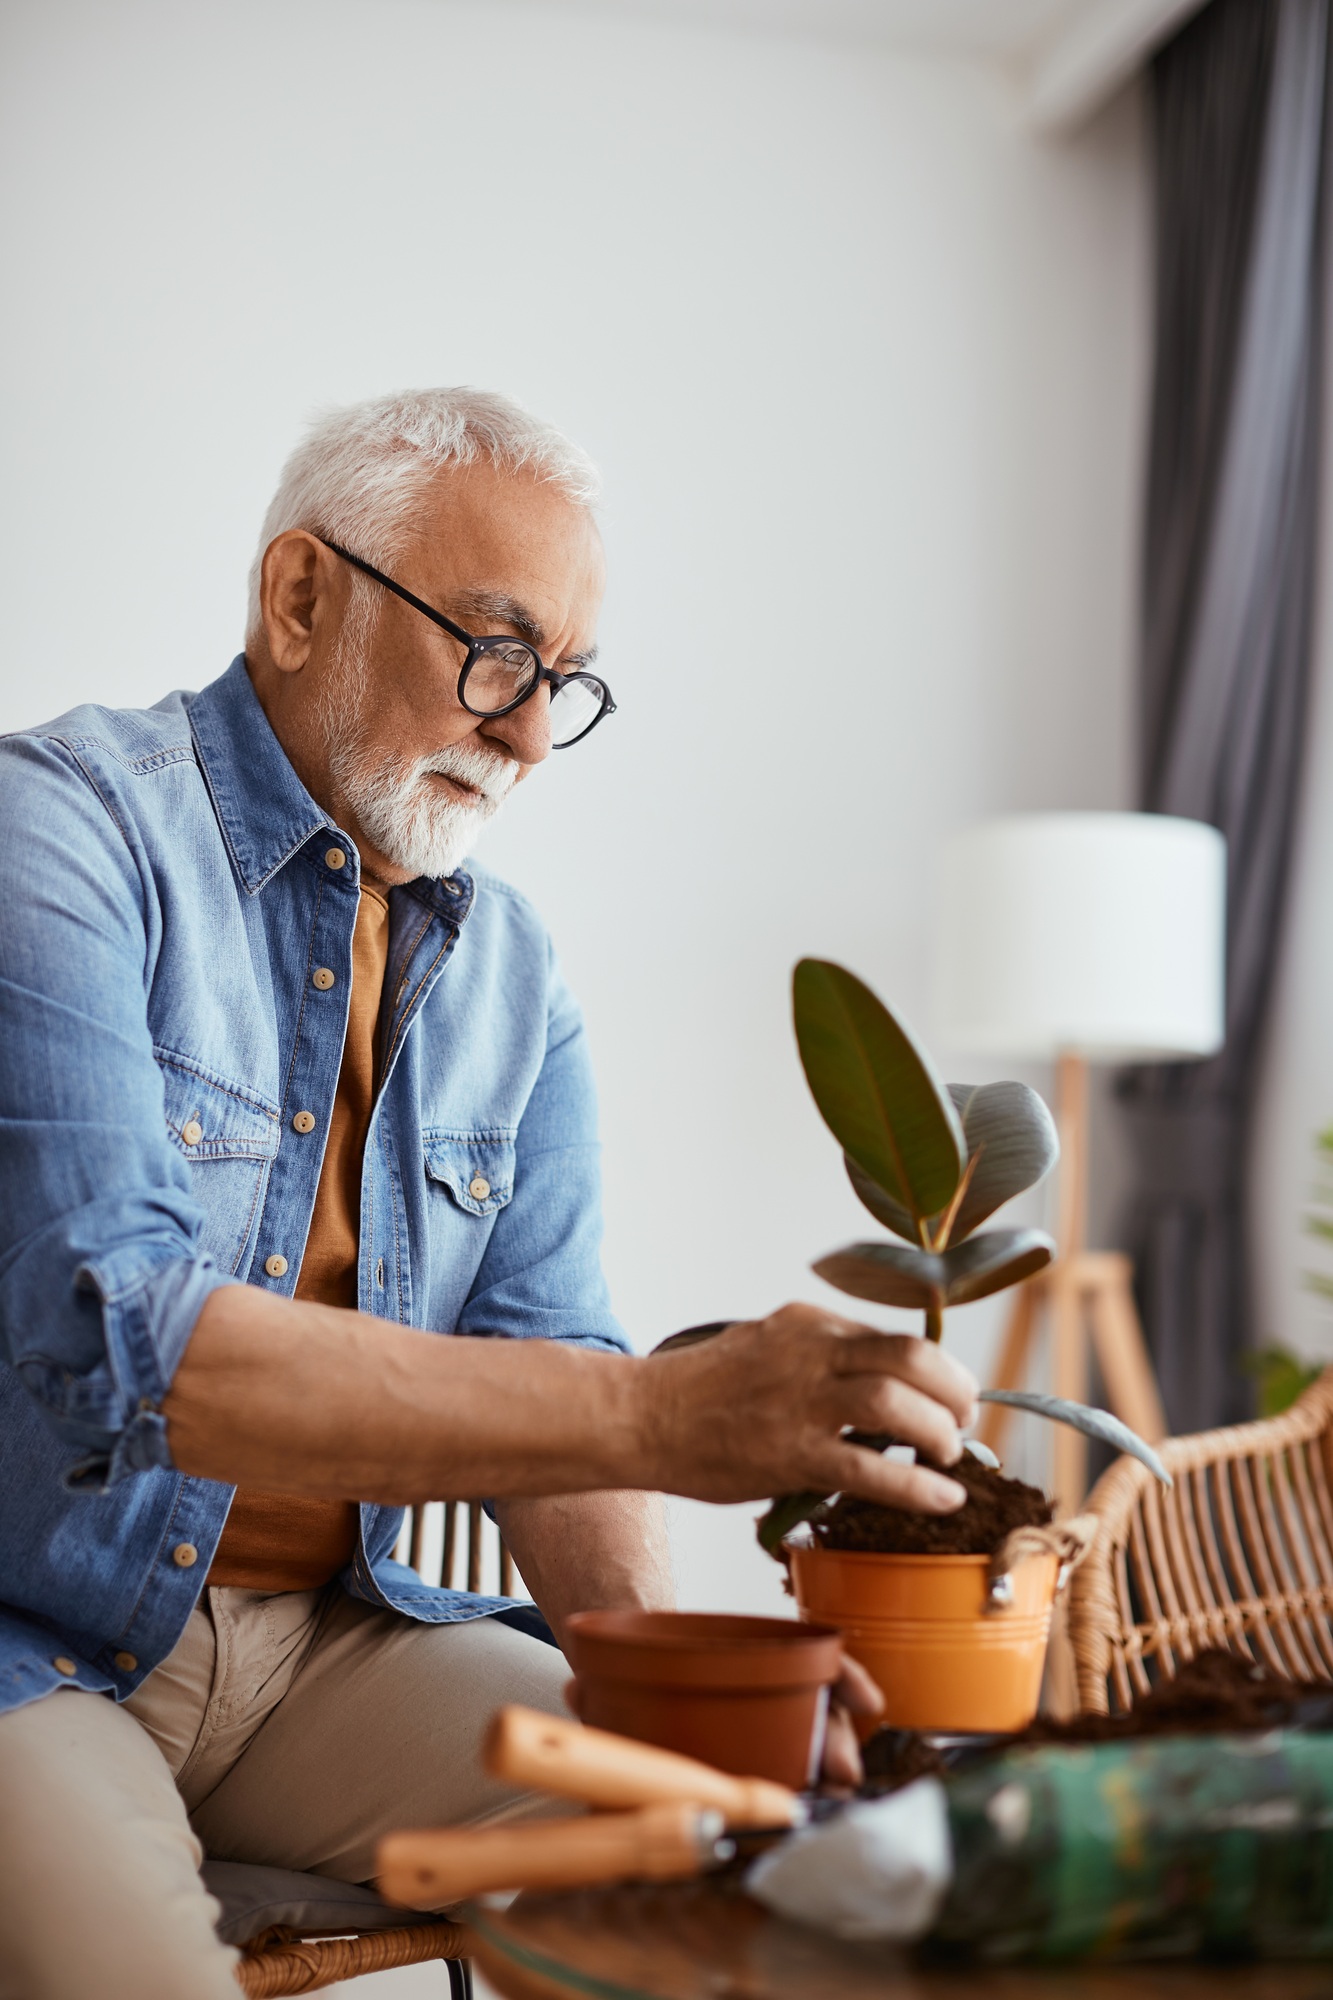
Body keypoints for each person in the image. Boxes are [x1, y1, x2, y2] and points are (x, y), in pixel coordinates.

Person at [0, 388, 977, 1997]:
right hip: (33, 1652)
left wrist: (665, 1682)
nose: (529, 733)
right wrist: (670, 1419)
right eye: (495, 651)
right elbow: (129, 1346)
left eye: (565, 682)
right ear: (300, 597)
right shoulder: (62, 831)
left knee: (734, 1869)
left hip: (330, 1649)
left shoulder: (510, 973)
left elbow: (552, 1350)